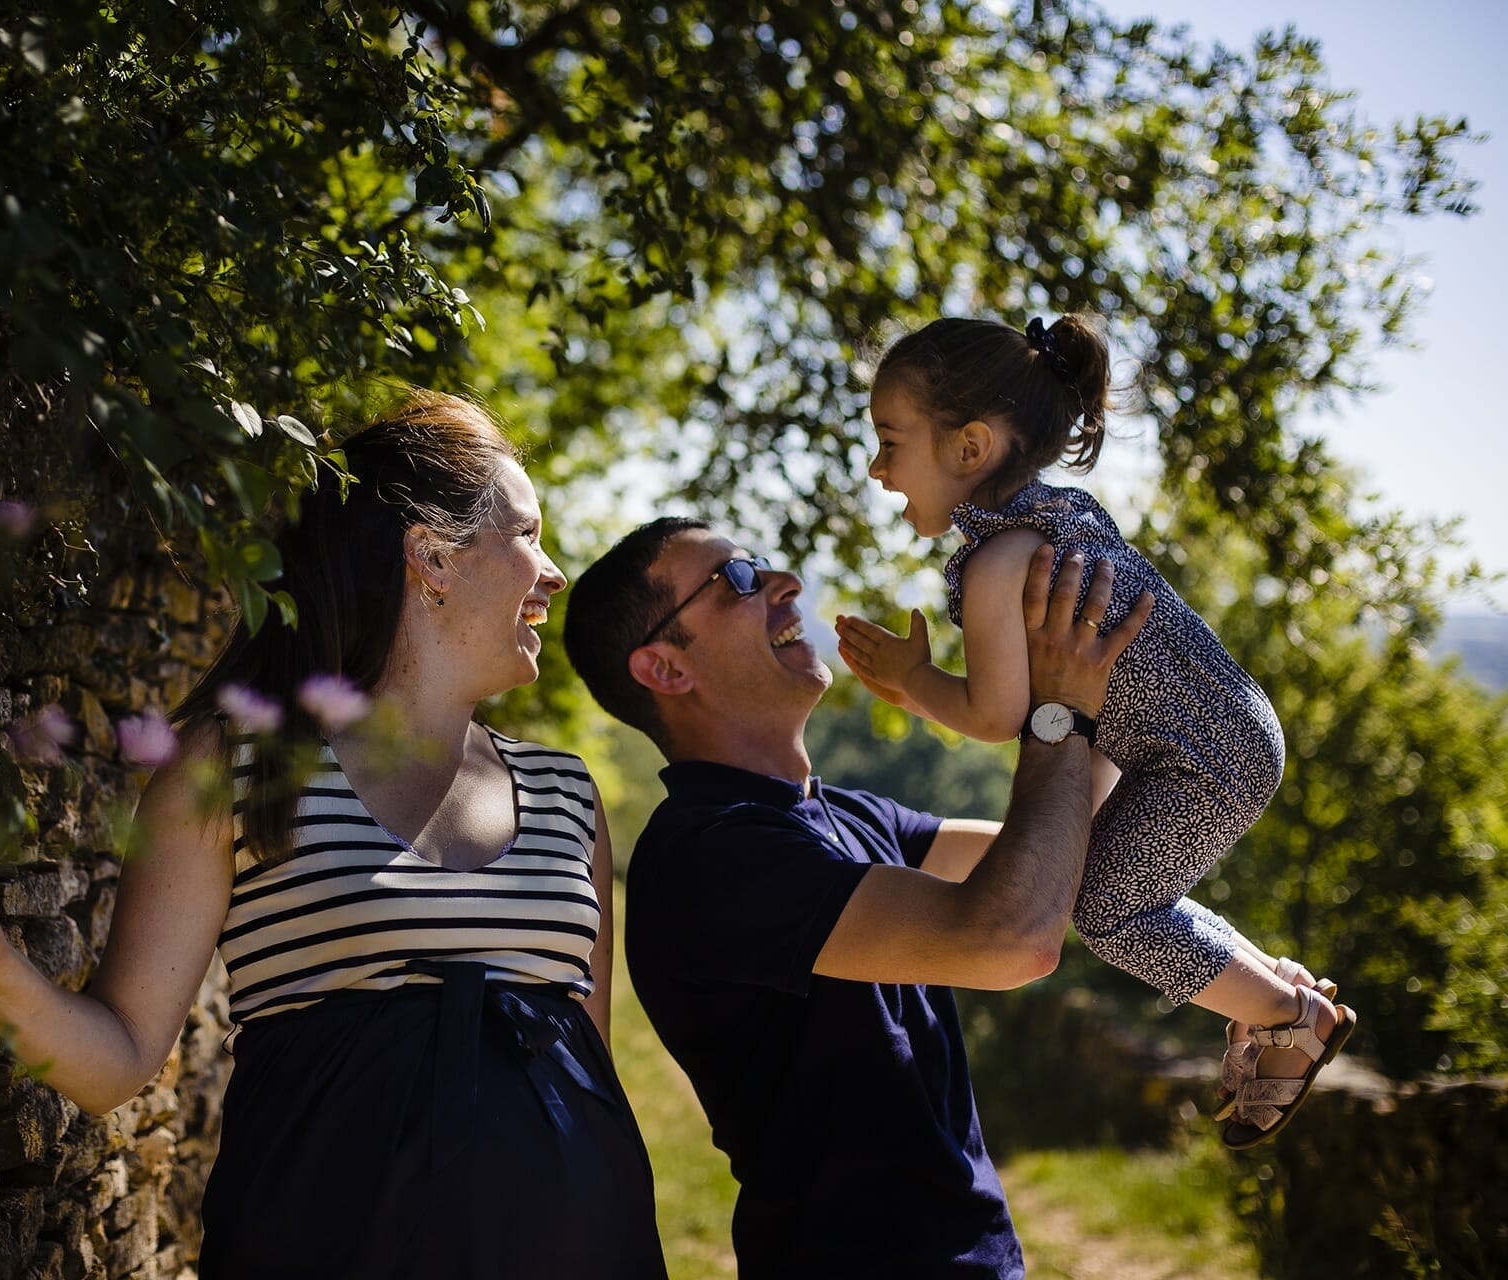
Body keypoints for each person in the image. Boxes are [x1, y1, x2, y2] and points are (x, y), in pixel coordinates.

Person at [0, 391, 666, 1278]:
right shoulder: (237, 770)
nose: (554, 572)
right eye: (527, 535)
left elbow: (589, 1072)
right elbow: (116, 1062)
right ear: (431, 556)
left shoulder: (569, 795)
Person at [564, 516, 1150, 1278]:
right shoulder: (710, 856)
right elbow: (1014, 936)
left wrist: (1109, 678)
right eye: (737, 580)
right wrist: (1059, 713)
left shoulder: (846, 813)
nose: (786, 584)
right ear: (668, 669)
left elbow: (1067, 859)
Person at [832, 315, 1354, 1148]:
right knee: (1124, 890)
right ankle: (1283, 994)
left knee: (1109, 911)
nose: (878, 466)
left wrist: (913, 683)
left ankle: (1292, 1020)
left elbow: (1001, 716)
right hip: (1220, 735)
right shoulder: (1058, 516)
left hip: (1200, 759)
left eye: (891, 440)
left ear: (970, 447)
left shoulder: (1003, 565)